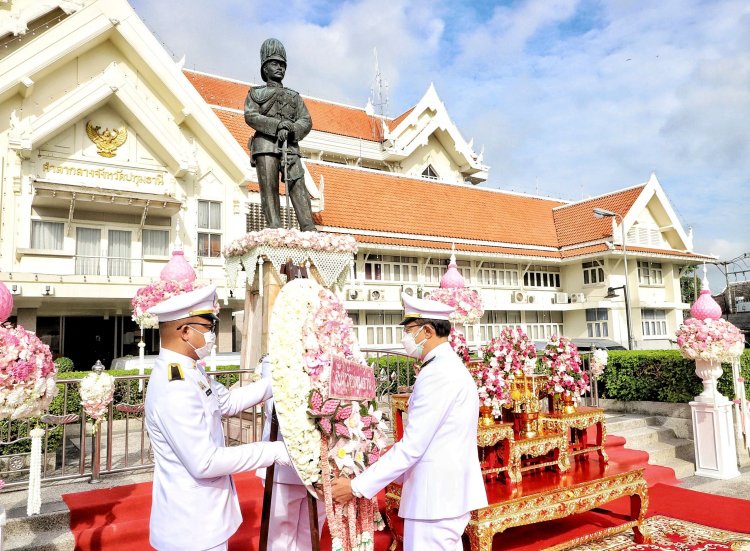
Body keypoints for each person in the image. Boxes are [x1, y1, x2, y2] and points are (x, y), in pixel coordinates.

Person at [331, 293, 487, 550]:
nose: (405, 338)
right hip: (444, 495)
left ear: (427, 331)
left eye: (410, 330)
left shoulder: (438, 373)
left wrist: (357, 486)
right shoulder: (447, 367)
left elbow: (413, 446)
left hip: (434, 499)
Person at [145, 285, 291, 551]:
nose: (211, 335)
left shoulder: (190, 371)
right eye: (207, 327)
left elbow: (228, 402)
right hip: (190, 525)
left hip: (205, 516)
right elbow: (205, 462)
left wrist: (280, 380)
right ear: (186, 332)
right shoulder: (174, 385)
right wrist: (274, 451)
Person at [244, 38, 316, 231]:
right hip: (265, 146)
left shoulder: (294, 96)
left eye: (283, 64)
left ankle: (308, 227)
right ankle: (274, 229)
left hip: (290, 146)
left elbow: (306, 120)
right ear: (265, 67)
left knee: (297, 184)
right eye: (274, 63)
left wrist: (292, 129)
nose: (280, 68)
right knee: (269, 189)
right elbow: (251, 116)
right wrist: (278, 125)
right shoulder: (255, 94)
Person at [256, 355, 326, 550]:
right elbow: (272, 408)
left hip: (322, 468)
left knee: (310, 536)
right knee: (280, 540)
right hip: (284, 469)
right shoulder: (276, 357)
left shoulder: (331, 355)